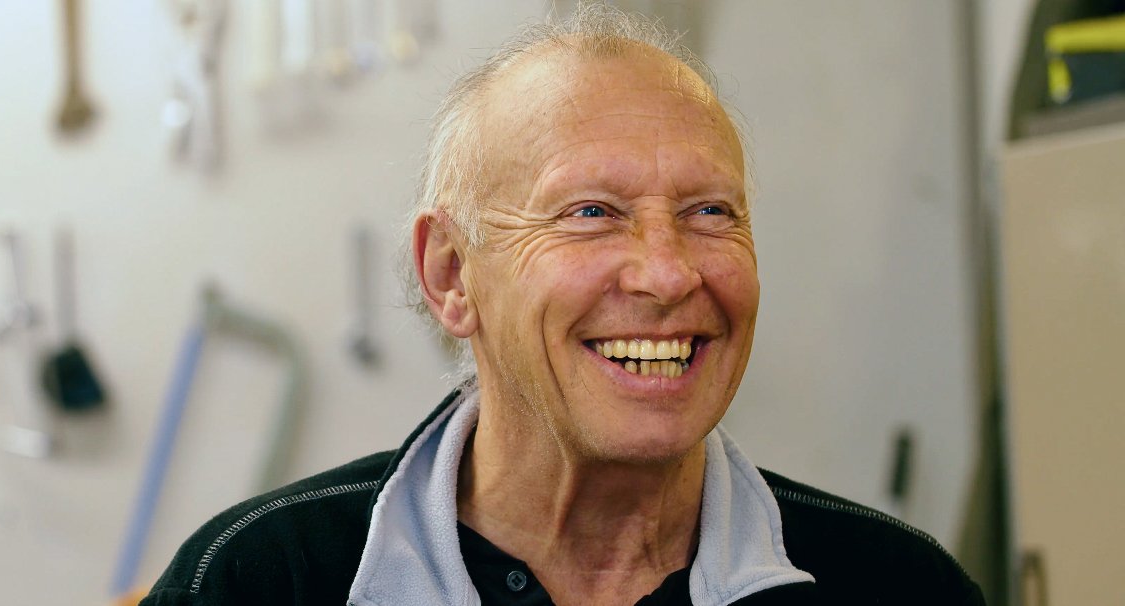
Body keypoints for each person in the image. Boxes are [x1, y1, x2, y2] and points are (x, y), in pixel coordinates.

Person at [140, 5, 986, 605]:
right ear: (450, 275)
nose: (667, 274)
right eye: (591, 213)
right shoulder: (255, 582)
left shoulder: (897, 585)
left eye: (710, 213)